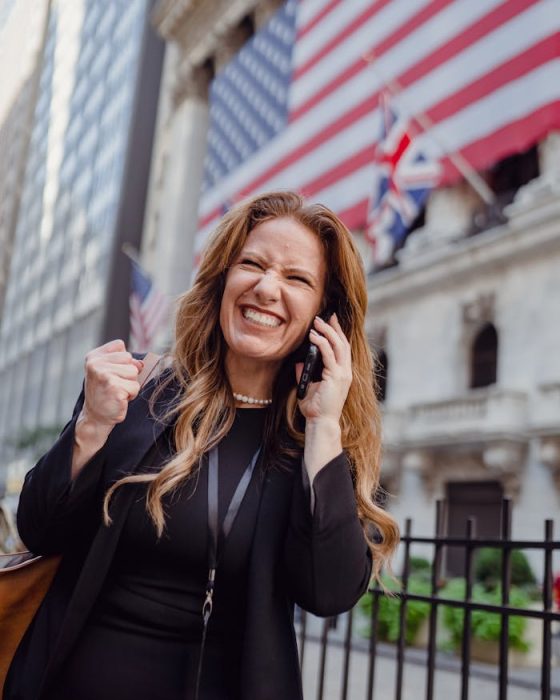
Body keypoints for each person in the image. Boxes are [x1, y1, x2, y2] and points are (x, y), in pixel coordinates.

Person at [5, 191, 399, 700]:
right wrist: (91, 426)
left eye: (296, 278)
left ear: (326, 316)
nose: (266, 287)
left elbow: (328, 592)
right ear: (222, 280)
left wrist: (324, 426)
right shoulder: (138, 389)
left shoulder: (315, 441)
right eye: (252, 264)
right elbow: (38, 528)